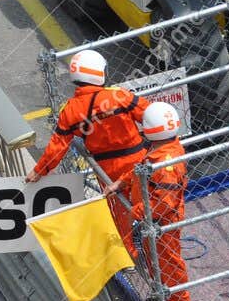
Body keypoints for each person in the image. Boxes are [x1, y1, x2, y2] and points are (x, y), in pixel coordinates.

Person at [30, 49, 150, 251]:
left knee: (120, 214)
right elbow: (150, 115)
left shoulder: (70, 110)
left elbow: (57, 147)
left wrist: (39, 171)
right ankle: (152, 247)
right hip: (138, 161)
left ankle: (129, 254)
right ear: (99, 73)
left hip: (106, 170)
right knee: (148, 204)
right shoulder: (119, 96)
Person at [133, 102, 192, 301]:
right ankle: (164, 296)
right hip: (155, 220)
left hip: (162, 222)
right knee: (157, 261)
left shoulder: (164, 162)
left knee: (168, 262)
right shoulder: (162, 151)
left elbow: (165, 203)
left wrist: (138, 211)